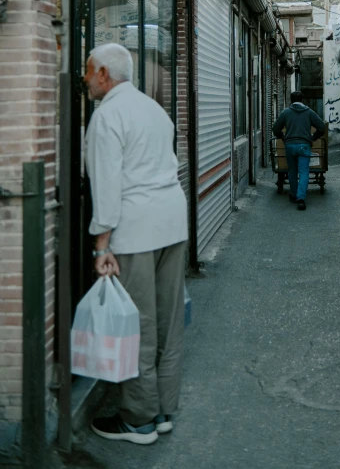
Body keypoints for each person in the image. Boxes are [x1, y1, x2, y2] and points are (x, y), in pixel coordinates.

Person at [84, 43, 188, 446]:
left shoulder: (107, 115)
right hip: (172, 224)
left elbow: (106, 188)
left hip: (136, 231)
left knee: (139, 325)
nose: (86, 78)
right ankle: (162, 410)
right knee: (167, 322)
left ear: (105, 75)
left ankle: (138, 420)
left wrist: (100, 246)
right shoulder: (154, 110)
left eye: (89, 71)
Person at [272, 91, 325, 210]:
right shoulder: (309, 112)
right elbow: (321, 127)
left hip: (290, 146)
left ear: (291, 100)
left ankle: (293, 194)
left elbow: (275, 129)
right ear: (302, 100)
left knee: (292, 171)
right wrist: (313, 137)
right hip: (304, 146)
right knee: (304, 172)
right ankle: (301, 198)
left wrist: (283, 137)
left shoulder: (286, 112)